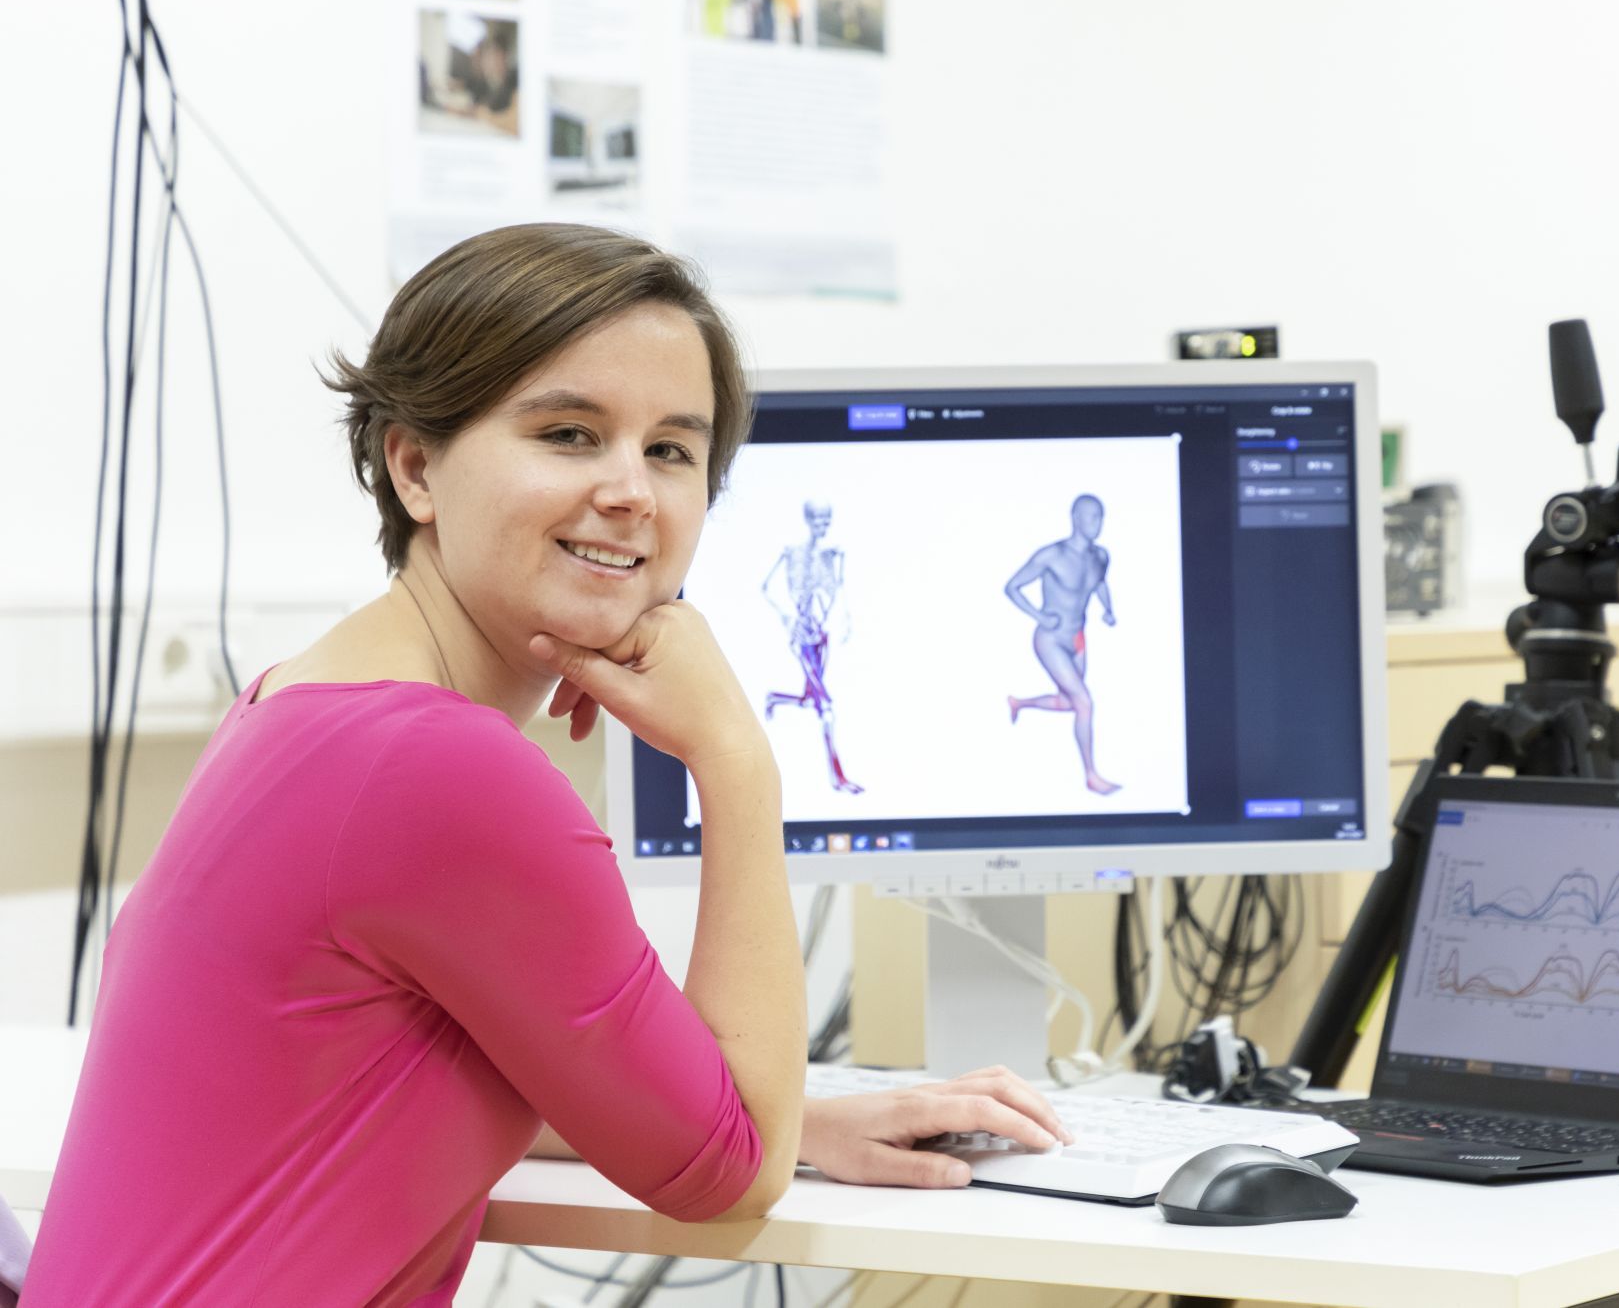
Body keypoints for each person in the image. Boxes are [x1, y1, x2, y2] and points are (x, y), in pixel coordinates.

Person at [22, 224, 1071, 1306]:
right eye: (570, 434)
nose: (633, 491)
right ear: (416, 467)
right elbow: (734, 1175)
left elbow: (497, 1064)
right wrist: (735, 759)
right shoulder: (442, 770)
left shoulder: (300, 701)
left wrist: (801, 1119)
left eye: (672, 450)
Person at [1005, 494, 1120, 795]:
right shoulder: (1052, 555)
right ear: (1076, 518)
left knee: (1070, 702)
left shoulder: (1100, 556)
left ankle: (1019, 703)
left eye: (1101, 516)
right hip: (1051, 639)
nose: (1097, 523)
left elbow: (1099, 583)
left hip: (1077, 638)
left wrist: (1108, 609)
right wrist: (1039, 616)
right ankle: (1091, 775)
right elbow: (1012, 586)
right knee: (1084, 703)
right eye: (1092, 516)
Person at [762, 499, 864, 793]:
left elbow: (839, 589)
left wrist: (846, 620)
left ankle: (774, 698)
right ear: (808, 520)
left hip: (822, 637)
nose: (823, 525)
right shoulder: (792, 553)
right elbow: (767, 588)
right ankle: (838, 778)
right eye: (818, 519)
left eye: (827, 519)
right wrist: (787, 617)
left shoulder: (834, 555)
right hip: (802, 639)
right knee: (826, 708)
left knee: (811, 701)